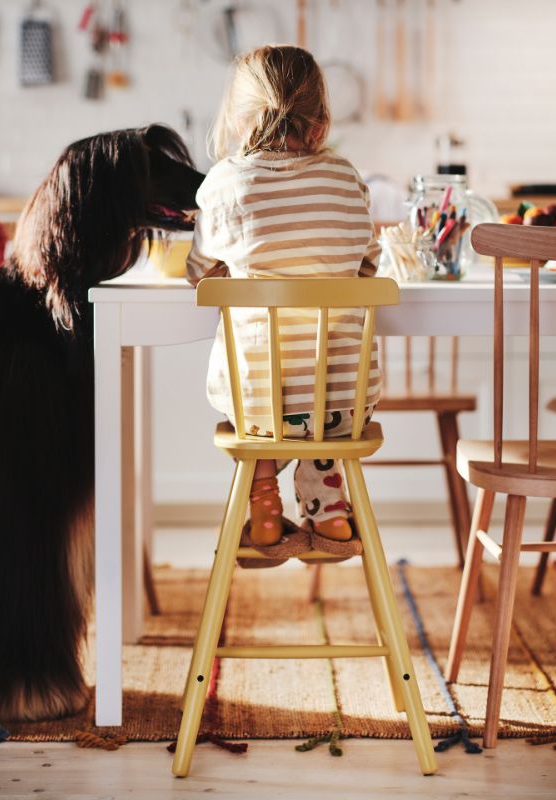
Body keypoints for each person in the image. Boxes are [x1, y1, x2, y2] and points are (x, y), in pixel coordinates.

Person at [187, 44, 381, 553]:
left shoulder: (225, 183)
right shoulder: (345, 179)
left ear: (238, 116)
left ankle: (264, 495)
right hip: (343, 402)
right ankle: (329, 508)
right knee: (317, 400)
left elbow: (200, 275)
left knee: (266, 393)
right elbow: (370, 264)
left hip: (259, 405)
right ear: (320, 117)